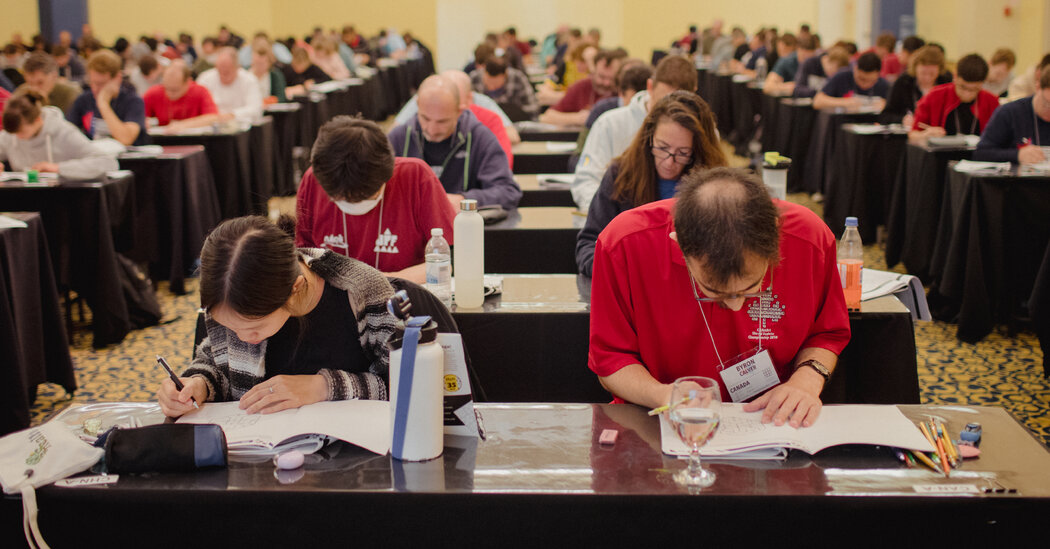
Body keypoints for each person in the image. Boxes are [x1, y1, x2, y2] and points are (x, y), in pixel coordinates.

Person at [588, 166, 851, 426]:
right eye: (713, 292)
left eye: (751, 289)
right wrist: (664, 394)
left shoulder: (810, 239)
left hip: (771, 421)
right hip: (660, 421)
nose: (736, 306)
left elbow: (827, 332)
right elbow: (611, 358)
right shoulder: (623, 244)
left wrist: (806, 380)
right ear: (679, 244)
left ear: (775, 238)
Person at [156, 215, 397, 418]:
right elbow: (218, 364)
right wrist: (198, 384)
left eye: (255, 327)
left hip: (356, 454)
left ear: (295, 288)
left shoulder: (362, 292)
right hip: (262, 452)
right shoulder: (227, 297)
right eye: (229, 327)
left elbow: (409, 384)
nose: (242, 337)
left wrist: (324, 387)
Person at [576, 92, 726, 277]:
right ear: (649, 138)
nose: (669, 162)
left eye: (683, 153)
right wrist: (617, 275)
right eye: (662, 148)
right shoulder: (620, 175)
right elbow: (589, 243)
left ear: (698, 151)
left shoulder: (716, 187)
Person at [296, 116, 456, 284]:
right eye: (342, 199)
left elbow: (449, 260)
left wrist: (372, 282)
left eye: (366, 197)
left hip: (403, 295)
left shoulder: (416, 177)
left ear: (386, 176)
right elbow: (303, 258)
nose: (355, 205)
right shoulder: (314, 180)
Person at [572, 55, 698, 212]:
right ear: (650, 86)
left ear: (694, 94)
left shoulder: (703, 130)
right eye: (662, 102)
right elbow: (586, 181)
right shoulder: (610, 124)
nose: (669, 113)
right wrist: (608, 215)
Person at [387, 75, 520, 210]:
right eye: (425, 118)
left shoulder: (480, 138)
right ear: (417, 106)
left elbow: (508, 192)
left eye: (442, 121)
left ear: (459, 112)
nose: (432, 130)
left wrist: (464, 201)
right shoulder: (398, 138)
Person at [0, 90, 119, 179]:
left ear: (37, 120)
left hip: (61, 201)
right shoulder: (10, 135)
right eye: (14, 133)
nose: (17, 137)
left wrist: (58, 168)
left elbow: (107, 162)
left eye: (22, 132)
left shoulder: (65, 133)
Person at [909, 53, 999, 142]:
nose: (967, 94)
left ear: (982, 83)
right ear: (955, 77)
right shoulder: (935, 96)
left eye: (974, 89)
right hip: (940, 155)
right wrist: (926, 135)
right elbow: (913, 135)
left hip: (977, 155)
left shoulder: (991, 102)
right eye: (962, 87)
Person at [67, 50, 147, 146]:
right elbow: (67, 136)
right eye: (92, 82)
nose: (95, 89)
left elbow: (126, 139)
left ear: (118, 78)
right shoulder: (83, 100)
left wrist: (103, 104)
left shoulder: (133, 102)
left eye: (101, 84)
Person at [975, 68, 1050, 164]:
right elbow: (981, 153)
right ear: (1038, 87)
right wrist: (1017, 155)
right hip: (1017, 177)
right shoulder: (1010, 113)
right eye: (1047, 104)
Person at [444, 70, 514, 168]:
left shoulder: (488, 119)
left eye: (456, 107)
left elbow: (502, 166)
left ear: (469, 99)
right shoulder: (420, 120)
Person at [539, 49, 626, 126]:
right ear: (593, 71)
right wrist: (577, 118)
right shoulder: (582, 86)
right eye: (601, 77)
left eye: (611, 78)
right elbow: (548, 116)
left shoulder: (623, 91)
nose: (606, 83)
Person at [143, 60, 222, 131]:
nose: (170, 93)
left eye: (175, 90)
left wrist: (183, 125)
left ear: (188, 81)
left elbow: (212, 117)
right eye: (167, 88)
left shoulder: (200, 91)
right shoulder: (154, 92)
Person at [882, 45, 952, 124]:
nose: (927, 78)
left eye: (932, 74)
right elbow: (885, 116)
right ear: (915, 69)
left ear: (939, 71)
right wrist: (903, 119)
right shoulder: (903, 82)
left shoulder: (946, 83)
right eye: (923, 73)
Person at [196, 47, 263, 122]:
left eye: (227, 70)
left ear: (237, 67)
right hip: (210, 125)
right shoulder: (205, 79)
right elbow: (196, 105)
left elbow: (255, 109)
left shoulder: (249, 80)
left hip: (240, 126)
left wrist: (231, 115)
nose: (223, 73)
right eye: (220, 69)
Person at [471, 56, 539, 122]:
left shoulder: (517, 78)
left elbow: (533, 108)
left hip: (516, 124)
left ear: (505, 75)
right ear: (484, 73)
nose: (492, 87)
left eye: (496, 85)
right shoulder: (474, 79)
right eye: (489, 84)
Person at [813, 52, 889, 110]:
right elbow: (817, 101)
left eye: (871, 81)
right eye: (861, 79)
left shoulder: (883, 85)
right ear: (855, 69)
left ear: (878, 74)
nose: (865, 84)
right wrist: (844, 102)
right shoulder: (842, 77)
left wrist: (885, 106)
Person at [17, 52, 81, 115]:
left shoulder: (71, 94)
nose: (34, 89)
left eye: (40, 83)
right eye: (30, 83)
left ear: (54, 76)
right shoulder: (22, 91)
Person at [249, 37, 287, 103]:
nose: (260, 66)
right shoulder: (245, 75)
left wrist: (270, 100)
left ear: (269, 62)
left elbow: (281, 97)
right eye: (257, 63)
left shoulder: (275, 76)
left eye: (263, 63)